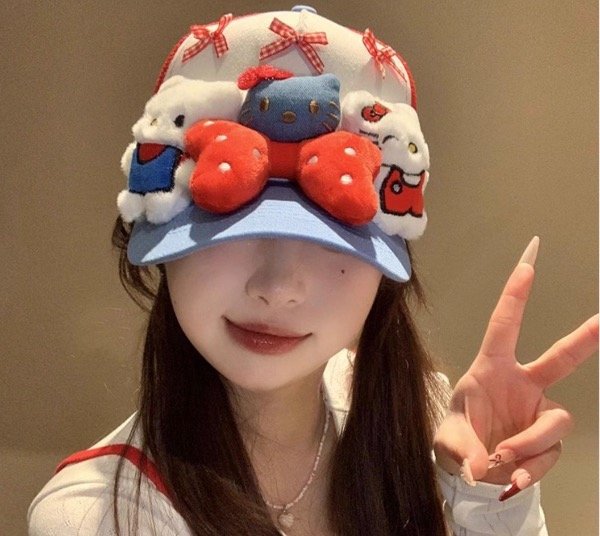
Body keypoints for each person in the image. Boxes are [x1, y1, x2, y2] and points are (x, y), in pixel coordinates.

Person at [27, 6, 598, 536]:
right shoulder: (95, 517)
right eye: (229, 225)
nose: (277, 288)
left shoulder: (428, 420)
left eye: (330, 240)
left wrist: (487, 499)